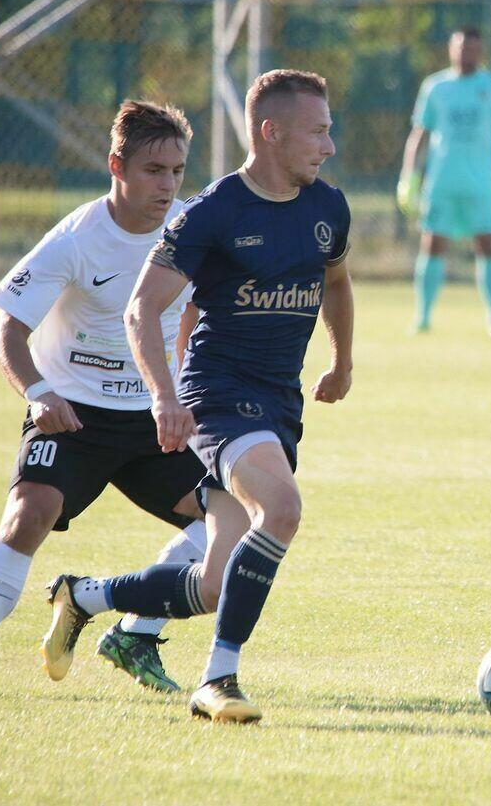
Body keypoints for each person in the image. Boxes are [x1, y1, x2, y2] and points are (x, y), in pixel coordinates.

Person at [38, 69, 354, 724]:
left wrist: (342, 361)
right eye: (318, 132)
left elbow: (336, 283)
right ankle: (219, 679)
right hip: (217, 394)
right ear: (271, 132)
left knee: (213, 584)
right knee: (282, 509)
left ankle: (85, 596)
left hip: (279, 403)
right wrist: (164, 397)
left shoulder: (328, 207)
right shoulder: (212, 213)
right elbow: (141, 308)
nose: (329, 146)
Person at [0, 101, 208, 697]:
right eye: (154, 170)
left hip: (158, 417)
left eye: (178, 171)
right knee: (27, 518)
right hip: (73, 416)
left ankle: (134, 631)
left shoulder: (193, 229)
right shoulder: (77, 238)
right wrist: (39, 393)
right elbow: (8, 331)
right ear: (116, 166)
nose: (168, 185)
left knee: (231, 523)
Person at [396, 26, 491, 336]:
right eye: (461, 47)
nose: (466, 53)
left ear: (481, 51)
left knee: (487, 244)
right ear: (451, 49)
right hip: (442, 182)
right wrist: (409, 177)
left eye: (472, 48)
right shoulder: (435, 87)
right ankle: (423, 317)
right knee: (432, 244)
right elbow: (419, 134)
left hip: (482, 183)